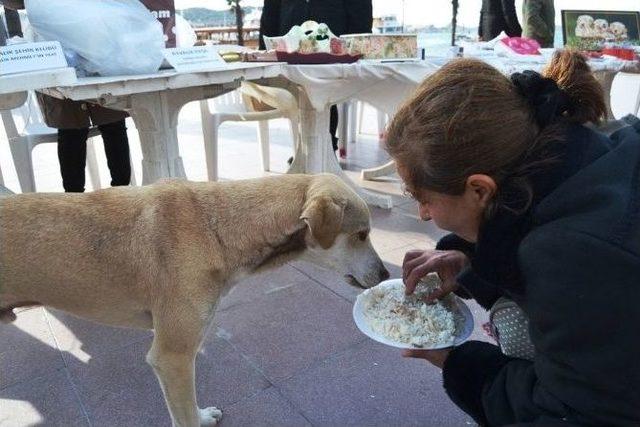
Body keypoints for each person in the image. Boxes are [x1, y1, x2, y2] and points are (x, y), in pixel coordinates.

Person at [385, 50, 640, 426]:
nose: (423, 214)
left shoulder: (572, 255)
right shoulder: (587, 149)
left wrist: (459, 364)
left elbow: (575, 412)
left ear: (479, 191)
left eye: (422, 198)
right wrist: (473, 263)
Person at [259, 0, 373, 154]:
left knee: (322, 92)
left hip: (335, 50)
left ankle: (322, 151)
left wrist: (356, 45)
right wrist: (265, 50)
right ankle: (312, 153)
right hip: (289, 48)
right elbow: (271, 13)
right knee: (307, 93)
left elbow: (361, 13)